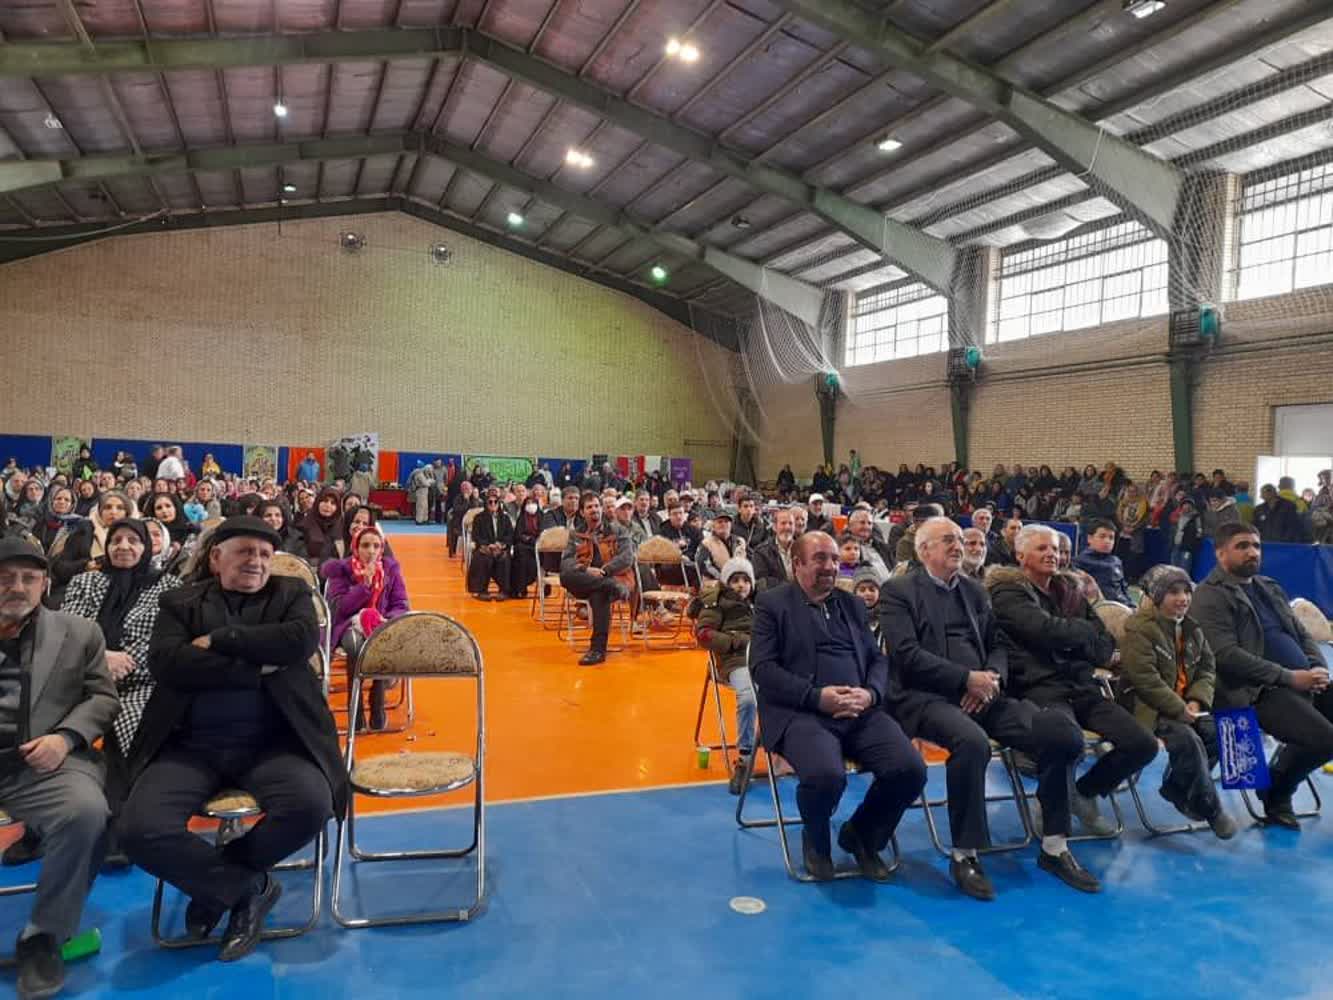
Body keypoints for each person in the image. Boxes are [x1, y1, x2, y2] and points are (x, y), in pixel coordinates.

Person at [121, 516, 345, 964]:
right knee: (138, 829)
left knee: (311, 806)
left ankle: (217, 883)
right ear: (216, 557)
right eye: (245, 551)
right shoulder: (180, 601)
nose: (256, 562)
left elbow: (299, 641)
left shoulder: (291, 594)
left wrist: (223, 639)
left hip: (274, 744)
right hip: (190, 748)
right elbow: (168, 662)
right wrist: (257, 665)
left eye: (264, 554)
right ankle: (247, 888)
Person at [881, 518, 1093, 898]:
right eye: (948, 540)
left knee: (1062, 734)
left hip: (985, 694)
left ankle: (1054, 846)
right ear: (924, 550)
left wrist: (991, 678)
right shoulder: (898, 591)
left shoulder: (975, 591)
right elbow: (907, 655)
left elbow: (998, 644)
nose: (958, 546)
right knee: (972, 743)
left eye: (960, 540)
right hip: (925, 697)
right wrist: (966, 679)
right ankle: (965, 854)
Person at [750, 531, 925, 881]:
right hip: (801, 713)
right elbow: (763, 669)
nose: (831, 566)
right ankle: (816, 841)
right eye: (820, 559)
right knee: (825, 776)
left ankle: (862, 835)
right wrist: (817, 697)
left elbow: (877, 659)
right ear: (797, 564)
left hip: (861, 710)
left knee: (910, 770)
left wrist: (870, 695)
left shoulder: (852, 604)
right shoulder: (772, 604)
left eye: (833, 558)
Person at [0, 537, 118, 1000]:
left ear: (45, 584)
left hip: (42, 762)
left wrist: (65, 737)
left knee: (86, 812)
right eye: (5, 578)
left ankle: (43, 936)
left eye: (28, 578)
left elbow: (103, 698)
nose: (17, 587)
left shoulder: (80, 632)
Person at [988, 525, 1158, 837]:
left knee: (1143, 744)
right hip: (1038, 688)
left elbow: (1104, 645)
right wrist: (1081, 632)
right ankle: (1052, 806)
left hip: (1081, 686)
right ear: (1020, 555)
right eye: (1042, 548)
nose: (1051, 554)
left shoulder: (1068, 590)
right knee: (1067, 742)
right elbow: (1045, 631)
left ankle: (1083, 793)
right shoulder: (1007, 592)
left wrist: (1073, 635)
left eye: (1055, 548)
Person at [1191, 523, 1331, 829]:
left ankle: (1280, 775)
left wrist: (1317, 667)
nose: (1252, 552)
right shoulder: (1208, 595)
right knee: (1325, 740)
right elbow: (1225, 655)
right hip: (1252, 691)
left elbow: (1301, 633)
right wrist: (1289, 677)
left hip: (1300, 680)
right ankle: (1277, 793)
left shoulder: (1269, 586)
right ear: (1220, 553)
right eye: (1242, 546)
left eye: (1256, 545)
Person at [1120, 566, 1236, 838]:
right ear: (1158, 596)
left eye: (1187, 592)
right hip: (1148, 707)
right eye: (1174, 592)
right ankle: (1212, 809)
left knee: (1222, 734)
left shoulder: (1192, 628)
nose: (1183, 598)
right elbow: (1145, 681)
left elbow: (1207, 669)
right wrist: (1179, 708)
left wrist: (1196, 701)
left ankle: (1176, 788)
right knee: (1187, 739)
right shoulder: (1139, 629)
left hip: (1186, 706)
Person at [324, 524, 409, 732]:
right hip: (347, 624)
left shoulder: (390, 569)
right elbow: (340, 608)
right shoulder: (341, 570)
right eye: (365, 545)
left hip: (381, 622)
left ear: (382, 549)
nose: (371, 551)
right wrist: (365, 587)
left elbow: (401, 604)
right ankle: (356, 707)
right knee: (355, 647)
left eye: (376, 546)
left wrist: (387, 619)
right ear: (355, 547)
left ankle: (377, 697)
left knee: (380, 640)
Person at [691, 557, 757, 795]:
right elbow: (703, 635)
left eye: (745, 580)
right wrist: (736, 641)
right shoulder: (716, 603)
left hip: (764, 660)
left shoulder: (760, 602)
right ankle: (745, 758)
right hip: (734, 662)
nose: (741, 585)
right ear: (726, 583)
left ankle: (786, 752)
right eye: (735, 580)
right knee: (749, 698)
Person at [559, 493, 634, 666]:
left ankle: (597, 650)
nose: (594, 510)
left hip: (614, 577)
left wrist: (604, 572)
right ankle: (609, 585)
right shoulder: (576, 534)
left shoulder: (618, 530)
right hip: (586, 579)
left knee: (600, 594)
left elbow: (627, 558)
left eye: (596, 506)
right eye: (589, 507)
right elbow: (566, 562)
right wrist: (586, 570)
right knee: (565, 576)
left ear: (601, 509)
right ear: (582, 512)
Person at [49, 489, 139, 606]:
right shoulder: (84, 531)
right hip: (78, 593)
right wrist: (85, 565)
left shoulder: (136, 538)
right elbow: (61, 567)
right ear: (100, 512)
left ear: (127, 512)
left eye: (120, 508)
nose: (113, 512)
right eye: (107, 507)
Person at [467, 491, 514, 601]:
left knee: (504, 558)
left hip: (500, 548)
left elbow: (510, 535)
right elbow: (476, 536)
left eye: (495, 502)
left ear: (499, 504)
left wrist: (501, 545)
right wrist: (488, 545)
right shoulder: (479, 518)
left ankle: (504, 591)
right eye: (490, 502)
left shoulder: (505, 518)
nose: (493, 504)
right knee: (483, 558)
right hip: (485, 547)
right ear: (486, 504)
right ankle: (482, 590)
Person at [1074, 519, 1131, 605]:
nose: (1107, 541)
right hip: (1099, 607)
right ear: (1089, 539)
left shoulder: (1116, 561)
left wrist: (1131, 605)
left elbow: (1124, 589)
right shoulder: (1080, 562)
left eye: (1111, 538)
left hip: (1124, 606)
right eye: (1102, 536)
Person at [750, 508, 796, 592]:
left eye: (791, 523)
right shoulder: (761, 552)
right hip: (775, 596)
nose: (787, 527)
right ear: (774, 527)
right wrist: (790, 588)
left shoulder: (803, 549)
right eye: (783, 523)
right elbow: (762, 582)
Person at [299, 487, 344, 566]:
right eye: (325, 501)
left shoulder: (342, 528)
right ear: (318, 502)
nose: (328, 505)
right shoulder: (304, 525)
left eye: (333, 503)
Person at [847, 508, 892, 584]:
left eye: (869, 523)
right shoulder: (846, 548)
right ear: (850, 525)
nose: (866, 527)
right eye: (862, 522)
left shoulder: (883, 546)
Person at [697, 511, 745, 582]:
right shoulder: (706, 543)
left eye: (726, 522)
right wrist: (723, 578)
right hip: (715, 583)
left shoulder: (740, 541)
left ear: (731, 525)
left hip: (738, 581)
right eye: (720, 522)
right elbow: (704, 566)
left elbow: (746, 562)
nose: (723, 524)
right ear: (713, 526)